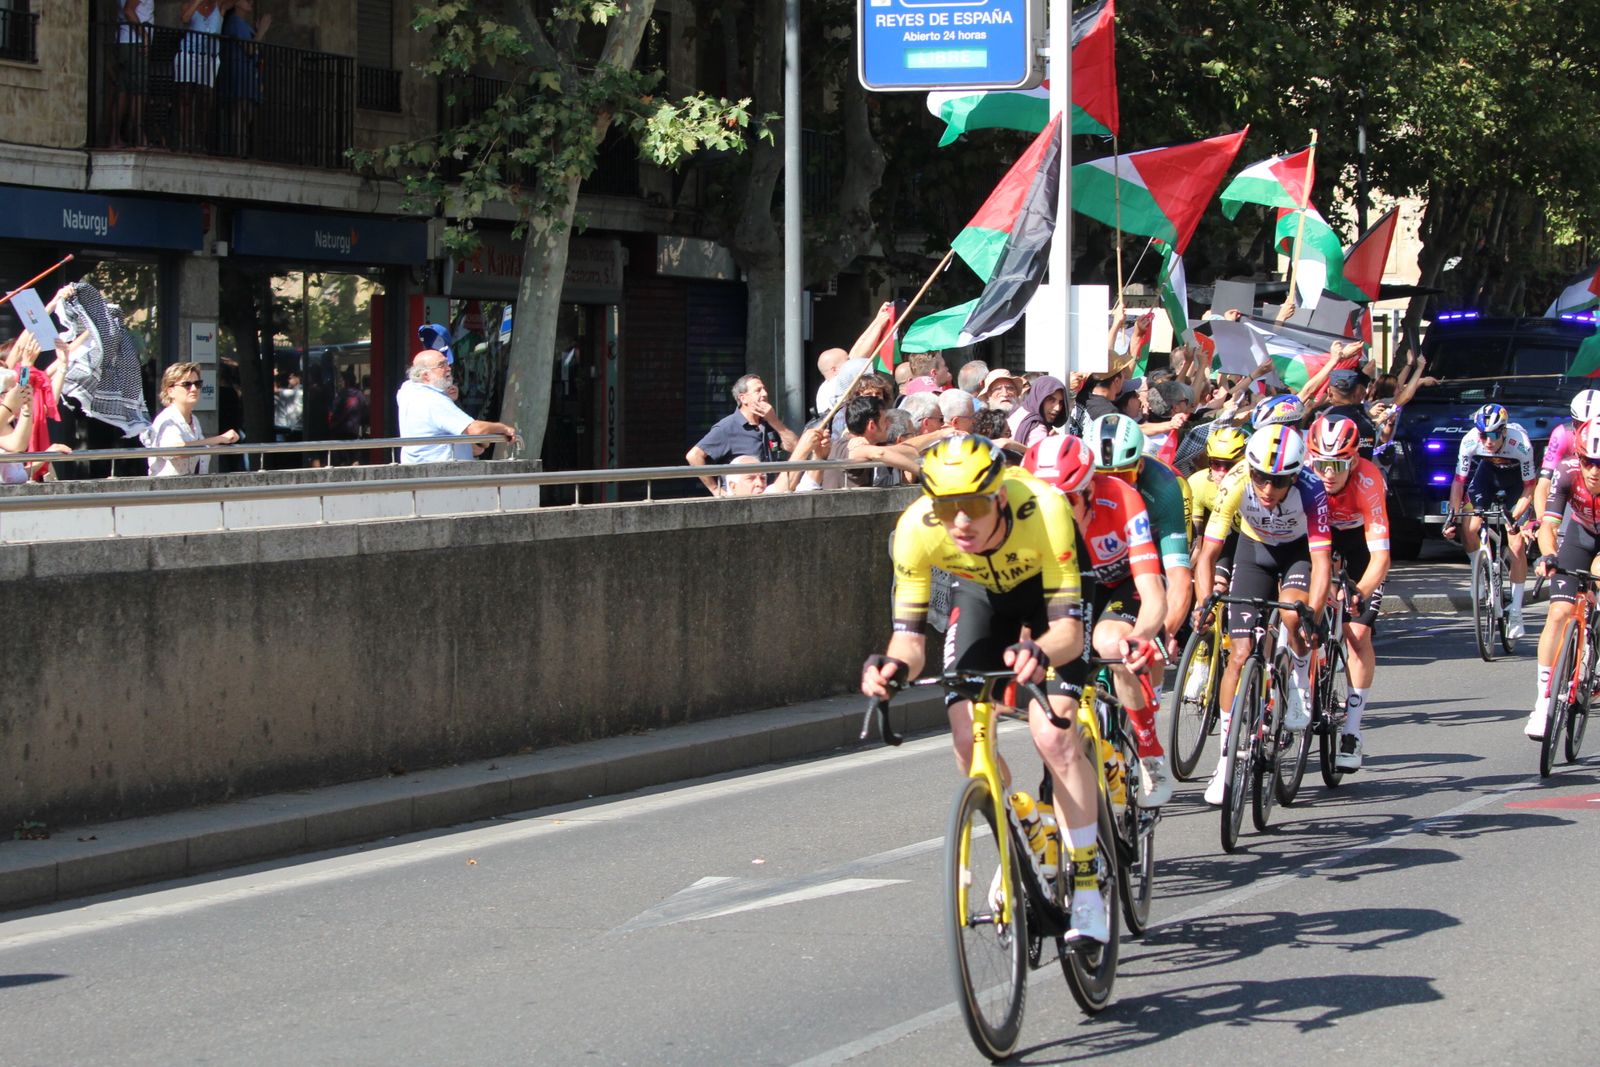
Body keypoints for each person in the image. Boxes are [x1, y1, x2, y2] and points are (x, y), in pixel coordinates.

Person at [860, 436, 1108, 942]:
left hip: (1047, 593)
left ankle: (1086, 883)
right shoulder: (915, 531)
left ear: (998, 497)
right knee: (964, 734)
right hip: (979, 594)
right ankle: (1020, 830)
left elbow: (1069, 634)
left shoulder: (1045, 508)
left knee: (1054, 734)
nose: (960, 523)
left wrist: (1039, 650)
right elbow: (909, 642)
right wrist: (891, 668)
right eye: (947, 508)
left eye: (973, 506)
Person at [1024, 434, 1173, 806]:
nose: (1054, 512)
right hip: (1071, 589)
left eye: (1067, 500)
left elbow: (1153, 591)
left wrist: (1141, 636)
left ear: (1089, 488)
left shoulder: (1122, 497)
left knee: (1111, 643)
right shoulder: (1028, 519)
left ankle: (1149, 748)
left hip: (1121, 585)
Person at [1192, 425, 1331, 804]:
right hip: (1254, 551)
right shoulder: (1236, 481)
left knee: (1291, 616)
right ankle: (1224, 764)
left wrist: (1313, 613)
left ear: (1294, 475)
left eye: (1279, 481)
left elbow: (1321, 563)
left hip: (1297, 553)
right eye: (1261, 478)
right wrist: (1204, 600)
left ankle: (1301, 679)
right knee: (1238, 654)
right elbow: (1207, 553)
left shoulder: (1312, 489)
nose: (1268, 489)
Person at [1306, 414, 1392, 771]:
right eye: (1321, 463)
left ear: (1354, 460)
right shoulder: (1305, 477)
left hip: (1359, 543)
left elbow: (1381, 557)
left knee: (1356, 634)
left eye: (1338, 464)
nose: (1328, 473)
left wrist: (1359, 592)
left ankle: (1353, 730)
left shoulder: (1369, 481)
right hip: (1318, 539)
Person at [1088, 414, 1195, 657]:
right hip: (1099, 570)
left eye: (1123, 476)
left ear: (1140, 466)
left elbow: (1179, 578)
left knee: (1118, 643)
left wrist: (1164, 633)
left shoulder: (1164, 488)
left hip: (1143, 569)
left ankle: (1151, 692)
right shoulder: (1078, 487)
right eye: (1102, 477)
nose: (1112, 486)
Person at [1530, 420, 1600, 739]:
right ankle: (1542, 704)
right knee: (1558, 612)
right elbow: (1549, 526)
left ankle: (1591, 657)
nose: (1594, 470)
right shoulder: (1567, 470)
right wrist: (1548, 556)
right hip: (1579, 534)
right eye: (1588, 461)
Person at [1442, 403, 1535, 639]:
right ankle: (1478, 571)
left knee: (1515, 544)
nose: (1488, 441)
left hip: (1516, 486)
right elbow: (1459, 482)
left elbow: (1529, 488)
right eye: (1484, 435)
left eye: (1493, 435)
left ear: (1503, 431)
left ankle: (1515, 612)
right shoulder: (1471, 440)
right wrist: (1452, 514)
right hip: (1487, 478)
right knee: (1470, 526)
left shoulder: (1521, 444)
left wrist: (1514, 518)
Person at [397, 350, 518, 463]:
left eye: (447, 363)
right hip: (442, 475)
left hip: (419, 471)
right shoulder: (434, 400)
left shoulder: (407, 391)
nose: (448, 368)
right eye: (441, 365)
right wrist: (504, 428)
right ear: (425, 376)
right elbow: (475, 430)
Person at [686, 373, 798, 496]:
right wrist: (715, 489)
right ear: (743, 398)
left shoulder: (769, 423)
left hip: (768, 494)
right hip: (741, 500)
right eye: (758, 391)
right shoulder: (727, 427)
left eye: (765, 389)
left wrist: (775, 421)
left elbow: (795, 448)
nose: (765, 394)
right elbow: (694, 456)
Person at [144, 362, 240, 476]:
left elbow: (196, 447)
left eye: (197, 383)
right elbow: (176, 450)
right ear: (170, 391)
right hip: (166, 490)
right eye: (186, 384)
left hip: (188, 488)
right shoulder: (167, 420)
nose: (194, 389)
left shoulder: (194, 420)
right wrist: (220, 439)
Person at [1533, 390, 1600, 517]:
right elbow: (1544, 485)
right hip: (1577, 495)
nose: (1582, 430)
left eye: (1589, 424)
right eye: (1578, 424)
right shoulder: (1562, 434)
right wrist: (1541, 522)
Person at [218, 0, 271, 156]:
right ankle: (237, 153)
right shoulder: (234, 22)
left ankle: (244, 152)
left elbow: (255, 51)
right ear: (237, 3)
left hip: (249, 79)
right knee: (239, 116)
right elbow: (249, 49)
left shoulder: (244, 25)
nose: (251, 3)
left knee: (247, 116)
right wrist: (261, 31)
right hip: (238, 78)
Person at [175, 0, 225, 152]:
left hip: (209, 57)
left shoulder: (220, 5)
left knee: (205, 99)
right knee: (186, 97)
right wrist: (197, 2)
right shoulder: (188, 4)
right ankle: (185, 139)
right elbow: (184, 19)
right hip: (189, 54)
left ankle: (199, 141)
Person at [111, 0, 154, 148]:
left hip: (125, 42)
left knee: (123, 91)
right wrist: (145, 35)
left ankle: (115, 137)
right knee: (138, 92)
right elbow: (129, 10)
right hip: (135, 43)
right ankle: (139, 136)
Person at [1007, 374, 1067, 448]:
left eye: (1061, 402)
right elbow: (1041, 457)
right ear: (1039, 398)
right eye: (1051, 400)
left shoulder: (1017, 411)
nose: (1057, 408)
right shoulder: (1037, 428)